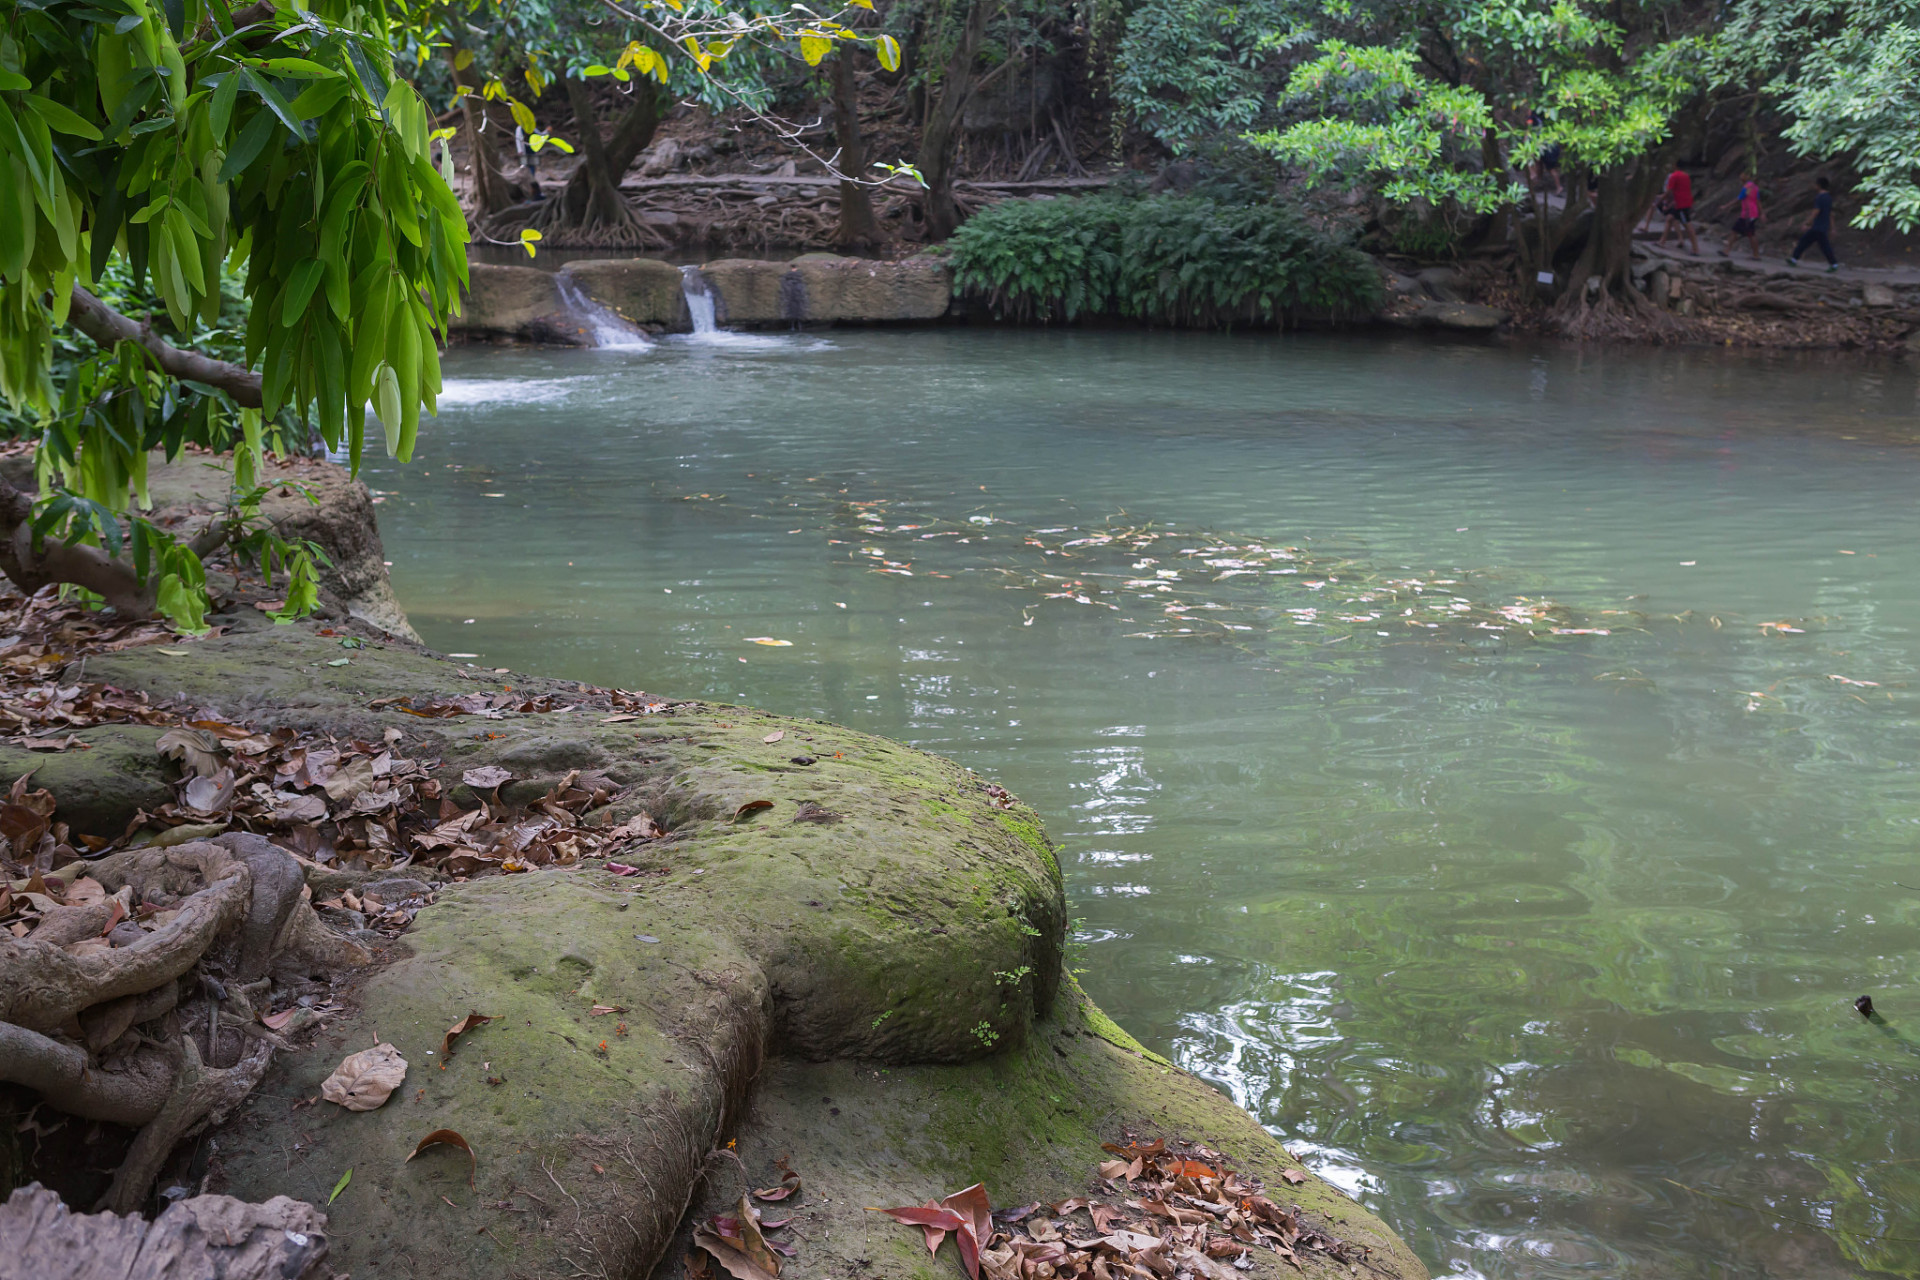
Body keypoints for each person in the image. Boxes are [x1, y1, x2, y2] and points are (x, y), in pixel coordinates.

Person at [1788, 176, 1840, 272]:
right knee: (1806, 242)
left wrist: (1807, 223)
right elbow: (1830, 213)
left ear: (1819, 185)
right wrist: (1832, 227)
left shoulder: (1820, 197)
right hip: (1823, 226)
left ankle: (1834, 264)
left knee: (1819, 245)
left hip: (1817, 226)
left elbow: (1816, 211)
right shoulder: (1828, 198)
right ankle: (1794, 258)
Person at [1657, 163, 1699, 254]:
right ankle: (1662, 241)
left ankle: (1695, 249)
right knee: (1669, 219)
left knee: (1687, 225)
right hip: (1683, 202)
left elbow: (1669, 191)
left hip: (1681, 204)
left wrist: (1661, 200)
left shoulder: (1674, 176)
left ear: (1675, 166)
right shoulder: (1686, 176)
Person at [1720, 174, 1762, 258]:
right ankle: (1755, 254)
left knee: (1737, 232)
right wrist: (1761, 213)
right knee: (1749, 233)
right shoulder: (1755, 187)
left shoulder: (1747, 187)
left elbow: (1738, 199)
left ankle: (1727, 251)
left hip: (1747, 214)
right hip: (1752, 213)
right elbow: (1757, 201)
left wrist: (1726, 206)